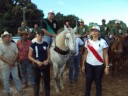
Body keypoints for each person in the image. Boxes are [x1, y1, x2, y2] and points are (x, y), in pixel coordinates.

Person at [82, 25, 109, 96]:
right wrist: (83, 65)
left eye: (96, 30)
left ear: (99, 33)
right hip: (89, 65)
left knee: (98, 83)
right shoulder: (87, 42)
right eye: (92, 30)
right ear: (91, 32)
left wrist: (107, 66)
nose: (94, 32)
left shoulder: (103, 42)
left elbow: (105, 55)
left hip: (99, 66)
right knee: (88, 83)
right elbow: (85, 54)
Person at [0, 31, 23, 96]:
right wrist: (9, 62)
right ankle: (7, 92)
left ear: (10, 38)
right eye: (6, 37)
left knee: (16, 77)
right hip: (4, 65)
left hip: (13, 64)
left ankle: (20, 90)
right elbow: (1, 56)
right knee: (6, 79)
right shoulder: (0, 45)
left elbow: (17, 53)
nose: (7, 38)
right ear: (3, 38)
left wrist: (13, 61)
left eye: (8, 37)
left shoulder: (13, 44)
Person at [28, 31, 50, 96]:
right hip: (36, 65)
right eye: (38, 35)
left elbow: (48, 53)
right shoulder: (33, 45)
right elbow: (29, 56)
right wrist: (36, 61)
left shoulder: (46, 44)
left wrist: (47, 60)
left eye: (41, 35)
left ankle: (47, 94)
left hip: (45, 65)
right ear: (36, 36)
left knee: (47, 81)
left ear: (43, 36)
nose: (40, 36)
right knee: (36, 82)